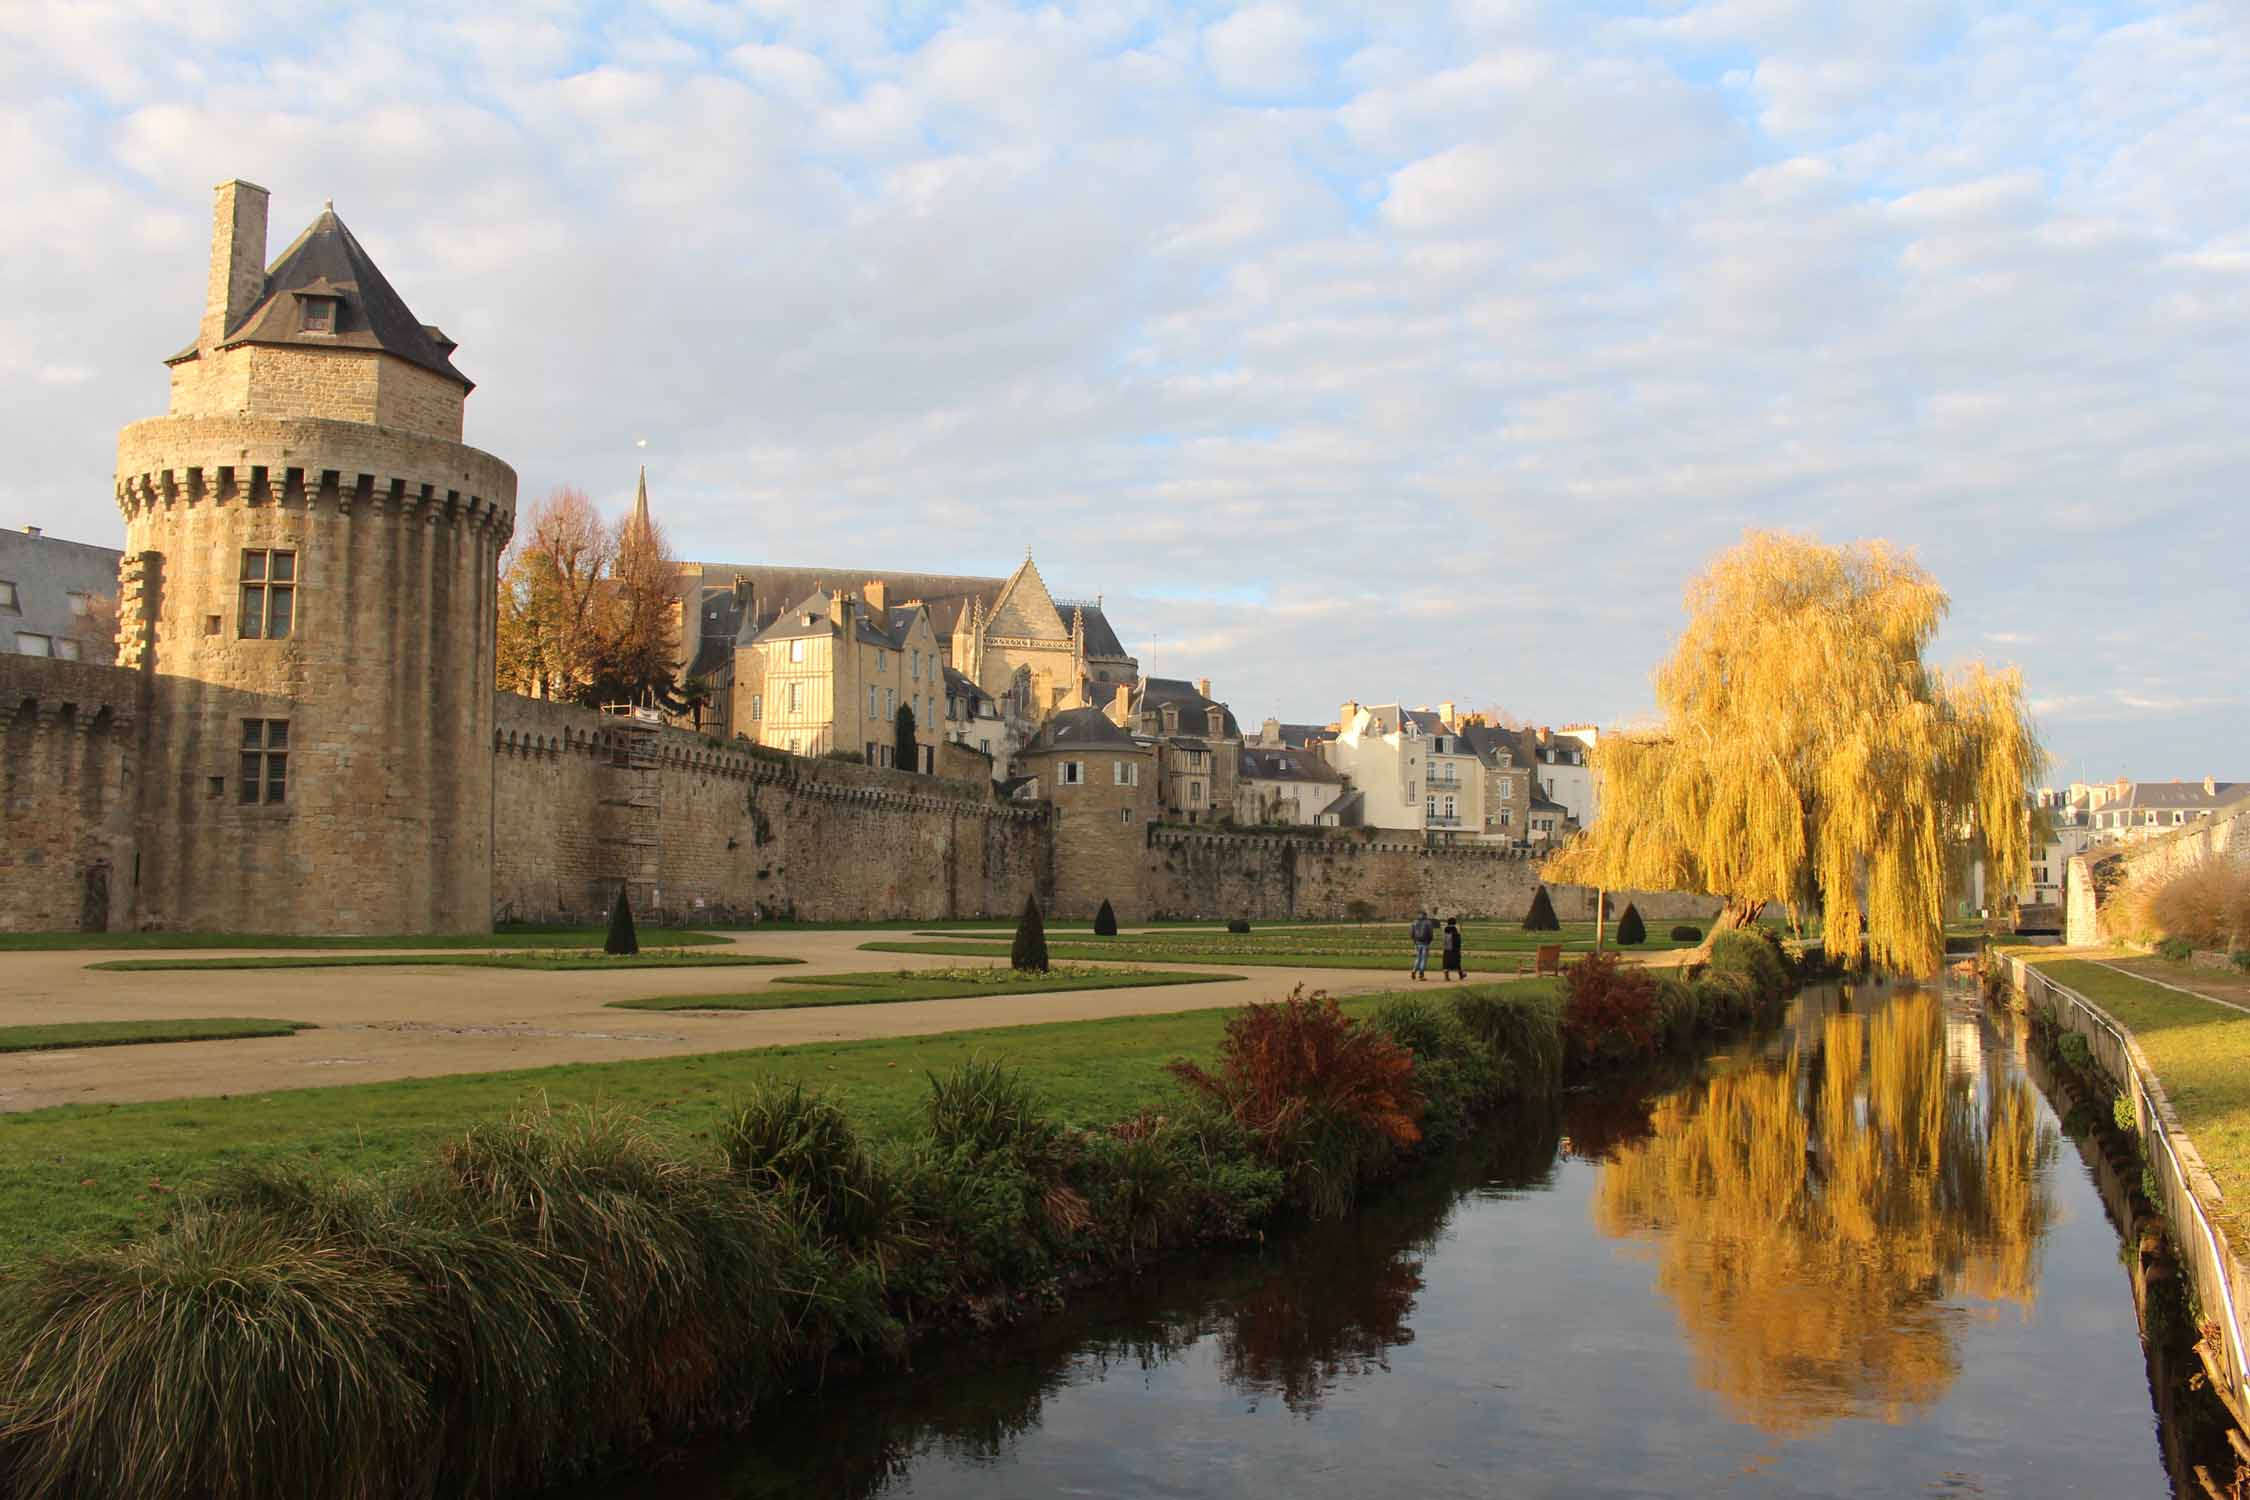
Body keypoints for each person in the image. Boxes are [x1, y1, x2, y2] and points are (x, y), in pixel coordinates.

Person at [1409, 911, 1436, 980]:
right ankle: (1421, 974)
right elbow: (1430, 933)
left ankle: (1414, 971)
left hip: (1417, 943)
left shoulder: (1414, 922)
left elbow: (1411, 933)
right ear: (1425, 915)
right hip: (1425, 943)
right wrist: (1430, 941)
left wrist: (1414, 941)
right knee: (1424, 959)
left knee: (1418, 958)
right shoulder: (1428, 922)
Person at [1442, 917, 1464, 981]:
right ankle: (1461, 975)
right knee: (1457, 962)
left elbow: (1444, 940)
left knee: (1446, 963)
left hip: (1447, 948)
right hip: (1454, 949)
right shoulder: (1455, 929)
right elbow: (1457, 940)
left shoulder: (1445, 929)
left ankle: (1446, 976)